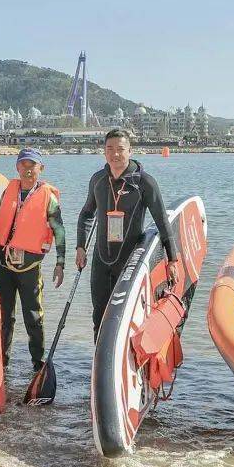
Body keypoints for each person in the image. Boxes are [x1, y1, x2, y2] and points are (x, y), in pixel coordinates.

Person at [75, 128, 179, 338]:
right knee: (99, 316)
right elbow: (86, 214)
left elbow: (162, 222)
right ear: (104, 151)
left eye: (120, 149)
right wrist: (80, 247)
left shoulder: (144, 182)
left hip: (130, 261)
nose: (115, 154)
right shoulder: (98, 180)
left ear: (130, 151)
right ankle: (99, 365)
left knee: (126, 317)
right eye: (109, 149)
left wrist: (173, 260)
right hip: (101, 261)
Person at [0, 147, 65, 371]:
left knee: (33, 316)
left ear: (40, 168)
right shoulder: (8, 191)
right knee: (4, 315)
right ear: (17, 167)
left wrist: (60, 263)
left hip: (30, 266)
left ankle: (37, 362)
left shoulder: (48, 198)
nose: (27, 169)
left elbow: (59, 231)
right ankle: (1, 360)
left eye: (32, 165)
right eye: (23, 164)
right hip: (4, 264)